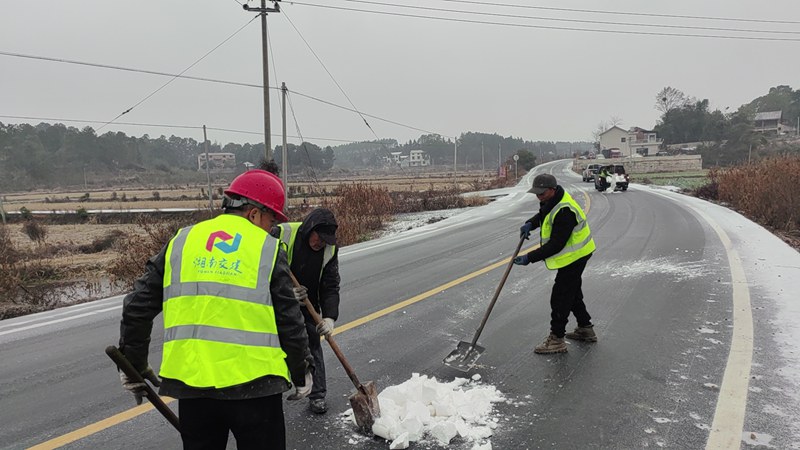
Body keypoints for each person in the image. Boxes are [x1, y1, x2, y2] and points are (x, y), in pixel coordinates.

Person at [117, 169, 314, 450]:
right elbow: (289, 321)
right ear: (254, 214)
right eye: (272, 220)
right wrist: (300, 370)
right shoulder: (266, 248)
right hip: (256, 387)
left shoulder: (182, 241)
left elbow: (137, 306)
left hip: (194, 389)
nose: (272, 229)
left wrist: (133, 365)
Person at [514, 173, 597, 354]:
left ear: (552, 189)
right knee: (572, 292)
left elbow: (556, 245)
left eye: (542, 193)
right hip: (575, 254)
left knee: (560, 296)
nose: (539, 197)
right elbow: (543, 214)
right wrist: (530, 224)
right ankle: (585, 328)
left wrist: (530, 257)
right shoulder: (552, 200)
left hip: (576, 256)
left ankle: (557, 339)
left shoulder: (565, 210)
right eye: (537, 194)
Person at [273, 208, 340, 414]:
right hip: (276, 305)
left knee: (313, 344)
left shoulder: (330, 250)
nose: (321, 243)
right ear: (310, 228)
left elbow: (330, 285)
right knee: (274, 348)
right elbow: (261, 271)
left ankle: (317, 395)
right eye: (319, 237)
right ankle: (270, 394)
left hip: (308, 304)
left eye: (326, 240)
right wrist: (285, 292)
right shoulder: (281, 235)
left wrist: (329, 317)